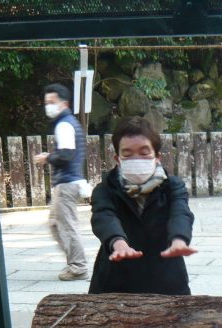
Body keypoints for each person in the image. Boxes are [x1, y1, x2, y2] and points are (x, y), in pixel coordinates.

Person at [88, 117, 196, 294]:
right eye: (128, 154)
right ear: (118, 158)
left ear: (157, 157)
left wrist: (179, 240)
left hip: (166, 278)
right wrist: (118, 243)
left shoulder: (172, 186)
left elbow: (180, 212)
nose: (136, 158)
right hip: (115, 281)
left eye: (144, 153)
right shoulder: (105, 189)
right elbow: (103, 216)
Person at [34, 83, 88, 281]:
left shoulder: (64, 124)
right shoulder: (68, 122)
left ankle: (78, 267)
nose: (48, 106)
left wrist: (47, 158)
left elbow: (66, 154)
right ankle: (75, 263)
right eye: (46, 102)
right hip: (67, 182)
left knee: (66, 226)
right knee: (56, 224)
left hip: (67, 183)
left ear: (64, 103)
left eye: (52, 102)